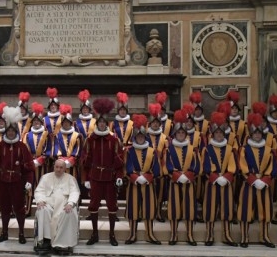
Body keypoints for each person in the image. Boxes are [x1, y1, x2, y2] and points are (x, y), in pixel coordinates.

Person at [0, 107, 35, 243]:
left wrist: (29, 181)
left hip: (18, 182)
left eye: (12, 131)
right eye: (8, 131)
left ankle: (21, 233)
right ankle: (4, 232)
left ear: (16, 132)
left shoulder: (22, 147)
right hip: (2, 182)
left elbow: (29, 168)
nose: (10, 133)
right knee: (4, 208)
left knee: (20, 208)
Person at [81, 98, 124, 246]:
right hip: (94, 178)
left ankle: (112, 234)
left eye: (103, 123)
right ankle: (95, 234)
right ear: (96, 124)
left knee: (112, 206)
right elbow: (85, 161)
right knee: (93, 206)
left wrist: (119, 176)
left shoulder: (114, 140)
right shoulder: (90, 140)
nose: (101, 124)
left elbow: (119, 160)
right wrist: (86, 178)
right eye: (99, 122)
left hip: (110, 178)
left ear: (106, 124)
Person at [236, 113, 277, 248]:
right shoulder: (244, 149)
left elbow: (273, 166)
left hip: (264, 184)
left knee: (265, 211)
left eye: (259, 134)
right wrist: (253, 179)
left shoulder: (269, 150)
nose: (257, 136)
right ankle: (244, 236)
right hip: (249, 183)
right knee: (245, 210)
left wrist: (265, 179)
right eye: (255, 134)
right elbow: (242, 166)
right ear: (251, 134)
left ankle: (264, 236)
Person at [124, 115, 162, 244]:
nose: (140, 138)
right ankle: (132, 234)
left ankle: (150, 234)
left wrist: (147, 177)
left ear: (145, 137)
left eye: (142, 136)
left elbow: (156, 169)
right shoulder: (129, 151)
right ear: (135, 138)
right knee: (133, 209)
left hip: (148, 184)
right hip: (133, 184)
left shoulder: (152, 152)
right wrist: (135, 177)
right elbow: (127, 167)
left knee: (149, 208)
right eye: (138, 137)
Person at [202, 112, 237, 246]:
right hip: (212, 182)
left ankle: (227, 234)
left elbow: (232, 165)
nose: (219, 135)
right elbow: (206, 166)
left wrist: (226, 176)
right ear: (213, 134)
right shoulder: (207, 149)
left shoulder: (230, 149)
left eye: (221, 133)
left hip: (226, 183)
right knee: (210, 208)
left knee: (226, 208)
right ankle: (209, 234)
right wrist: (216, 177)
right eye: (216, 133)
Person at [34, 158, 81, 254]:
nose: (58, 169)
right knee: (42, 210)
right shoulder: (45, 177)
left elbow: (75, 192)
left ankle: (63, 243)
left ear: (65, 169)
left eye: (61, 167)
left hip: (64, 204)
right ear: (53, 167)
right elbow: (39, 191)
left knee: (68, 213)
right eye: (56, 167)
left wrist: (70, 203)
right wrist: (40, 201)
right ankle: (45, 241)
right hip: (48, 203)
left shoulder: (70, 178)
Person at [166, 111, 200, 245]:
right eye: (178, 133)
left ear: (186, 134)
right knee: (174, 209)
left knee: (189, 208)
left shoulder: (192, 149)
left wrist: (188, 175)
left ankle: (189, 234)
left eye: (183, 133)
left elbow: (196, 165)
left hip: (189, 183)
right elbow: (167, 165)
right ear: (175, 134)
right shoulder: (169, 149)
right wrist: (176, 175)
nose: (180, 135)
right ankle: (173, 234)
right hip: (174, 183)